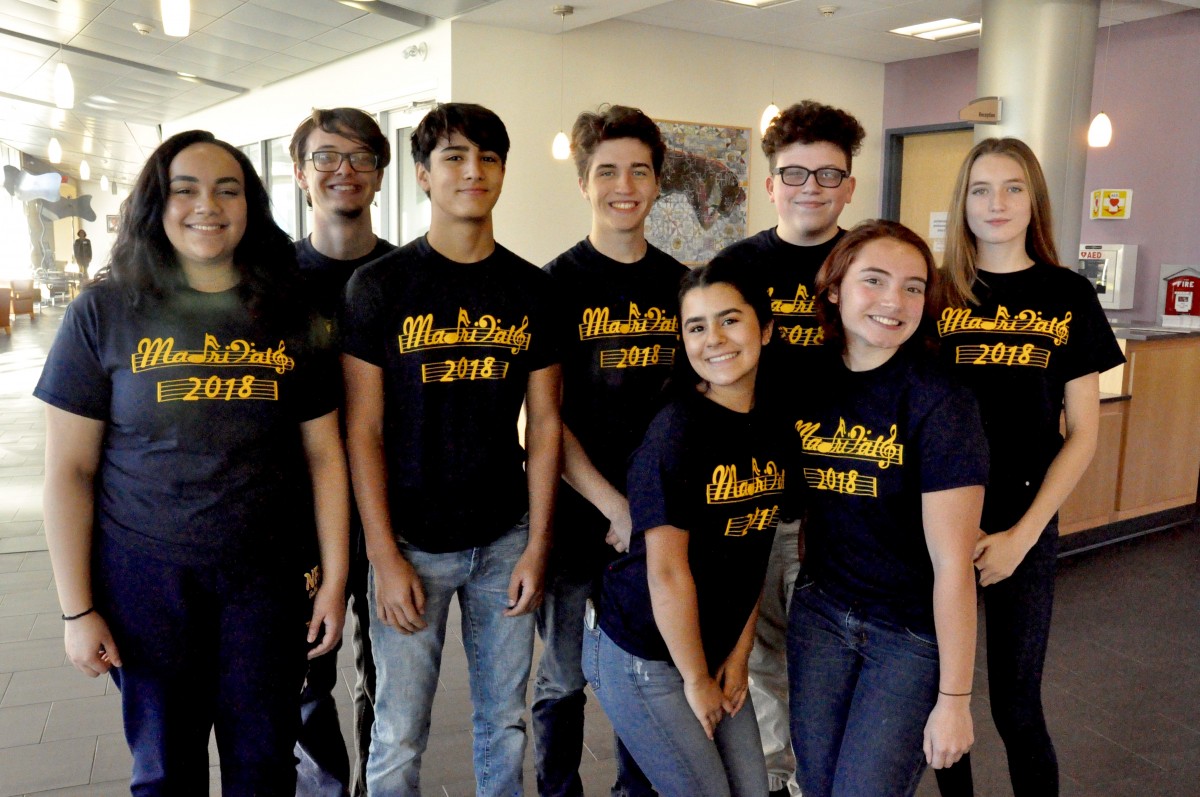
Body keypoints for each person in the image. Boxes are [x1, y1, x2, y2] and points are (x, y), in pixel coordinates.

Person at [36, 129, 349, 796]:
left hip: (265, 580)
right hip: (145, 582)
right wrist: (76, 609)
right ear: (156, 203)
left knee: (263, 768)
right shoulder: (105, 311)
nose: (207, 204)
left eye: (227, 189)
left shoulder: (291, 311)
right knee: (163, 772)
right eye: (185, 189)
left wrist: (334, 578)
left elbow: (325, 454)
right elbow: (68, 472)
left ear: (250, 205)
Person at [341, 102, 563, 797]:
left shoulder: (534, 289)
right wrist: (382, 555)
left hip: (505, 538)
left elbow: (547, 421)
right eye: (454, 157)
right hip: (410, 542)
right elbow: (363, 430)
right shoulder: (379, 287)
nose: (474, 171)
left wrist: (536, 546)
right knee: (400, 729)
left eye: (488, 158)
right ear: (423, 176)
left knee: (504, 721)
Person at [932, 139, 1125, 797]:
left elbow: (1082, 435)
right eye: (981, 189)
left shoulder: (1067, 293)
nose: (997, 203)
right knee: (943, 694)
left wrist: (1023, 535)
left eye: (1013, 187)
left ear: (1034, 198)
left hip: (1026, 521)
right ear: (963, 201)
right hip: (937, 521)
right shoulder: (935, 292)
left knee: (1016, 705)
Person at [786, 220, 987, 797]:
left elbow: (954, 566)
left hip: (909, 633)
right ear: (834, 289)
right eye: (874, 281)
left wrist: (955, 700)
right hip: (820, 613)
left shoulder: (942, 402)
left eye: (913, 287)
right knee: (818, 786)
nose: (894, 302)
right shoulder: (808, 379)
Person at [583, 258, 786, 797]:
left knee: (752, 791)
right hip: (644, 652)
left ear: (764, 329)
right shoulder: (676, 432)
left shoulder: (772, 423)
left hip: (715, 648)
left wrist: (738, 658)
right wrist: (696, 680)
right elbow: (667, 572)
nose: (714, 339)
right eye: (696, 326)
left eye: (730, 320)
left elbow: (754, 550)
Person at [712, 99, 866, 797]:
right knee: (762, 654)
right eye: (795, 173)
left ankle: (822, 771)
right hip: (756, 504)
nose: (812, 188)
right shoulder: (736, 266)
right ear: (770, 183)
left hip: (850, 507)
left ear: (850, 186)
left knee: (832, 654)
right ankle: (779, 776)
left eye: (828, 174)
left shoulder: (867, 267)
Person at [537, 103, 683, 797]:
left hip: (656, 524)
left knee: (642, 672)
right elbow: (541, 421)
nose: (624, 184)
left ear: (658, 182)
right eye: (606, 171)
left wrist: (646, 512)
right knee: (562, 676)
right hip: (573, 517)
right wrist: (611, 503)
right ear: (583, 181)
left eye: (639, 170)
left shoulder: (684, 285)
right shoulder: (552, 286)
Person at [290, 107, 396, 797]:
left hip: (392, 507)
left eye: (360, 156)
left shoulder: (408, 274)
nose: (344, 171)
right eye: (326, 157)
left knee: (389, 673)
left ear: (382, 174)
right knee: (304, 674)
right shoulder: (272, 279)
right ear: (300, 174)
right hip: (298, 512)